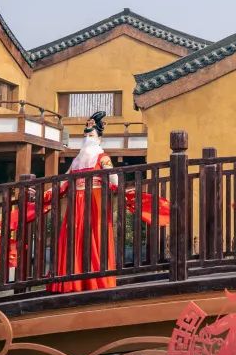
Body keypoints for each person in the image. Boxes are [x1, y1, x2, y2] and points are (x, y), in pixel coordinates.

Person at [46, 111, 171, 293]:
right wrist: (48, 192)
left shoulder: (103, 158)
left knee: (95, 236)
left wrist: (123, 190)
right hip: (76, 205)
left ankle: (94, 281)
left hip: (95, 203)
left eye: (91, 135)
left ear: (99, 138)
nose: (88, 139)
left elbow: (113, 179)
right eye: (86, 135)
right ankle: (73, 281)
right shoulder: (76, 161)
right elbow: (64, 181)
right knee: (74, 237)